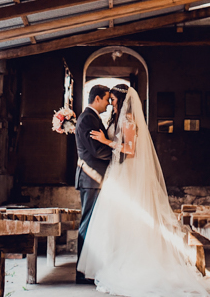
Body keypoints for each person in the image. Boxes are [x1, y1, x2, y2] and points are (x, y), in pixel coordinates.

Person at [77, 88, 210, 296]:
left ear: (123, 100)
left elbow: (131, 149)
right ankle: (112, 262)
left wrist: (106, 141)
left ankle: (129, 264)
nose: (111, 103)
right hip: (116, 173)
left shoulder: (128, 119)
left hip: (124, 173)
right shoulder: (113, 119)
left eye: (114, 99)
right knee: (115, 222)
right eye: (110, 100)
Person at [74, 84, 113, 285]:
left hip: (94, 179)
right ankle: (81, 272)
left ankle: (88, 268)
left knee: (92, 223)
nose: (108, 104)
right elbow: (97, 150)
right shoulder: (88, 119)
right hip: (91, 179)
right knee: (87, 223)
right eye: (106, 99)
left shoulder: (91, 117)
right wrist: (116, 155)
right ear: (97, 98)